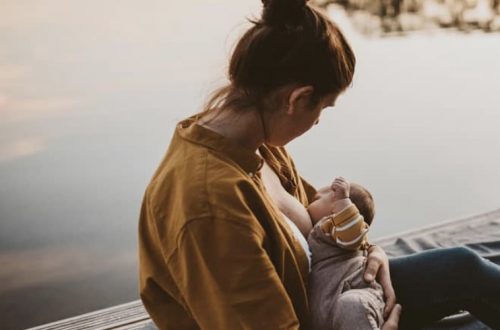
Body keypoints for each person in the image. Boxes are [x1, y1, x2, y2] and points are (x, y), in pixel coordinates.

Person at [138, 0, 500, 329]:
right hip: (325, 318)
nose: (318, 122)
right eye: (323, 108)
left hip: (336, 295)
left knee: (461, 268)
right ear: (298, 98)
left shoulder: (255, 142)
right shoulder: (209, 205)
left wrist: (371, 254)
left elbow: (323, 222)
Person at [307, 177, 386, 329]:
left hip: (356, 295)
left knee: (351, 306)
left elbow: (353, 233)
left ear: (334, 208)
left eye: (316, 199)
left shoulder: (333, 227)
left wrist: (343, 202)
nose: (308, 204)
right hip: (328, 313)